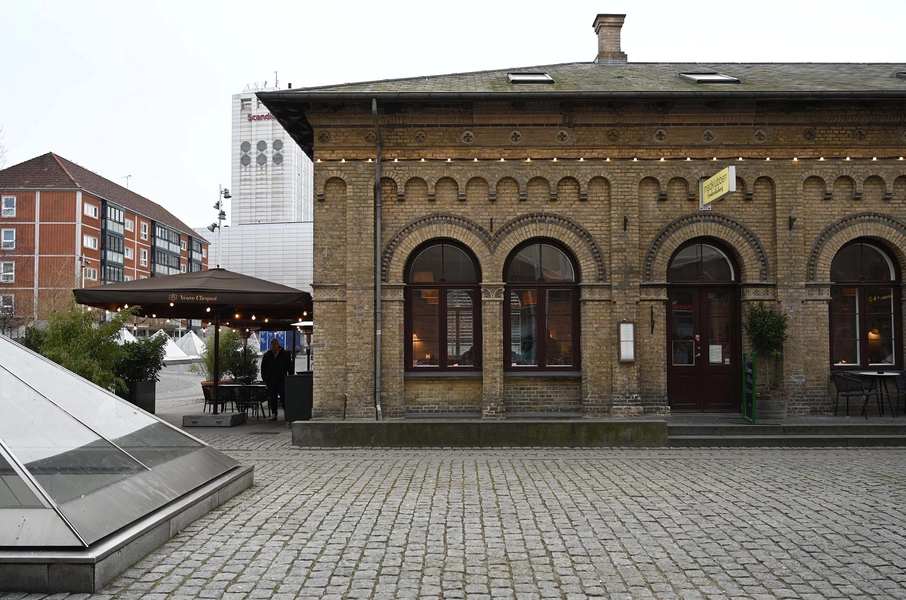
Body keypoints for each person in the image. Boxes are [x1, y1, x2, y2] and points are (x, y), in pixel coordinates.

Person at [261, 338, 292, 421]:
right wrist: (265, 378)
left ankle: (287, 412)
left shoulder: (285, 354)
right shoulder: (267, 354)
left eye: (275, 344)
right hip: (271, 380)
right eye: (272, 344)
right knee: (272, 397)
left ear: (278, 344)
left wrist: (290, 378)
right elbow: (263, 367)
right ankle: (274, 413)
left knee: (283, 397)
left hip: (281, 379)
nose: (273, 346)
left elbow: (289, 366)